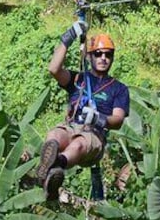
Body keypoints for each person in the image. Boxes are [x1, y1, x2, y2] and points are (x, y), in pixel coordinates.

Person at [36, 20, 130, 200]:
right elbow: (54, 69)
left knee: (78, 144)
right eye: (98, 54)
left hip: (93, 134)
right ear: (90, 57)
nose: (103, 58)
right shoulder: (78, 78)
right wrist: (68, 37)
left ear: (112, 58)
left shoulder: (118, 89)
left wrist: (98, 118)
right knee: (55, 136)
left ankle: (57, 167)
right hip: (72, 125)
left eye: (108, 55)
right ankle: (49, 171)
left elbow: (117, 120)